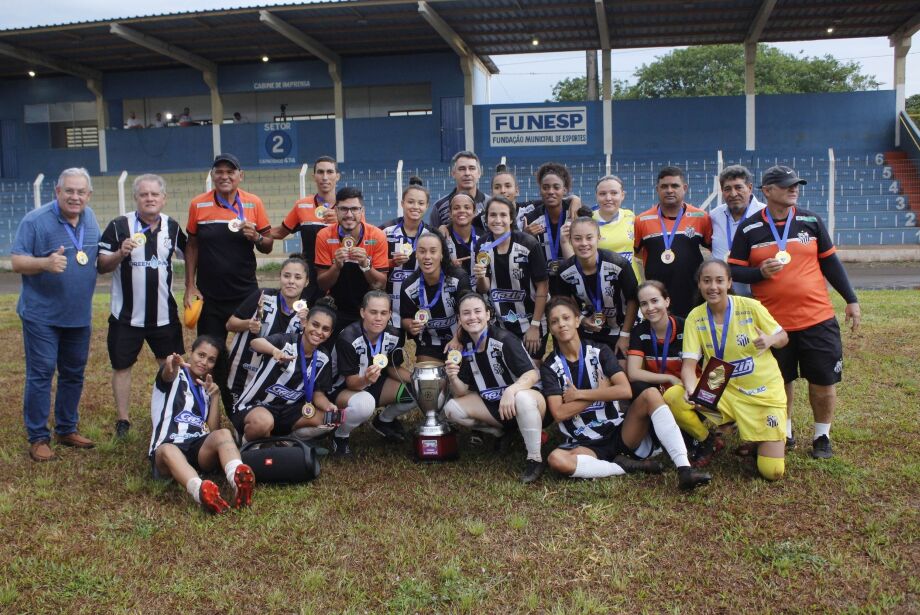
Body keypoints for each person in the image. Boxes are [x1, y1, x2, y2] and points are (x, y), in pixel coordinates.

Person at [729, 165, 860, 459]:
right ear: (767, 191)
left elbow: (830, 263)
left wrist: (851, 299)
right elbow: (733, 269)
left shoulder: (811, 220)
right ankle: (785, 431)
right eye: (787, 185)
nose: (794, 189)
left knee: (823, 379)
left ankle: (821, 435)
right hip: (773, 324)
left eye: (796, 184)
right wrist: (758, 272)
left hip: (817, 318)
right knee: (780, 379)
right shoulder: (749, 228)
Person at [541, 297, 711, 490]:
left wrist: (585, 394)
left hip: (618, 431)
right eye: (554, 321)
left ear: (577, 320)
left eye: (566, 318)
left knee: (650, 395)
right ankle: (623, 467)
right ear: (550, 328)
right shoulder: (550, 367)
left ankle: (684, 469)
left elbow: (624, 390)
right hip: (584, 442)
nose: (561, 324)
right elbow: (560, 413)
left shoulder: (600, 351)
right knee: (556, 459)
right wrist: (603, 392)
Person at [667, 259, 789, 481]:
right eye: (707, 281)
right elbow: (688, 366)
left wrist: (770, 340)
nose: (713, 287)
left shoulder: (750, 306)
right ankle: (710, 441)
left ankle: (757, 439)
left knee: (772, 472)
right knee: (674, 397)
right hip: (720, 379)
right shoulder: (696, 316)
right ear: (700, 285)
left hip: (760, 388)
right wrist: (692, 389)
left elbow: (783, 337)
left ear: (729, 282)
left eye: (719, 281)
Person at [12, 168, 100, 462]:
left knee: (74, 373)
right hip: (42, 316)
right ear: (57, 192)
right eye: (69, 191)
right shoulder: (35, 221)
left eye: (81, 192)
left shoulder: (91, 218)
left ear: (88, 195)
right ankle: (38, 437)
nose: (75, 197)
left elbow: (95, 259)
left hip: (78, 315)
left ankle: (66, 428)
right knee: (42, 372)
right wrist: (44, 263)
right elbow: (16, 261)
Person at [97, 173, 187, 438]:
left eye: (154, 194)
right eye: (144, 194)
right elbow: (101, 265)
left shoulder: (172, 226)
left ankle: (172, 411)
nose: (149, 198)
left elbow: (191, 252)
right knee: (122, 367)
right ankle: (123, 420)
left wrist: (192, 285)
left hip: (163, 315)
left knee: (170, 364)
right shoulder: (119, 225)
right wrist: (118, 253)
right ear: (136, 198)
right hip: (127, 316)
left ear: (163, 198)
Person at [443, 293, 548, 483]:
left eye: (477, 311)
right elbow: (461, 391)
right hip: (496, 405)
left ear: (488, 314)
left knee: (522, 398)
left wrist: (511, 390)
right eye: (466, 313)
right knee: (452, 409)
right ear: (459, 319)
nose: (472, 317)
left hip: (532, 403)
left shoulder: (504, 339)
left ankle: (535, 458)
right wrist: (452, 376)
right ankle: (500, 432)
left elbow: (532, 374)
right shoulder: (466, 346)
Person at [149, 337, 255, 513]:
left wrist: (214, 397)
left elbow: (211, 431)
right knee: (167, 449)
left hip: (197, 449)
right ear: (191, 352)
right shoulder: (174, 375)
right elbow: (167, 374)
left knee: (223, 434)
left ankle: (239, 479)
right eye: (201, 355)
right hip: (169, 449)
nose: (204, 362)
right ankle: (201, 491)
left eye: (211, 359)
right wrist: (171, 365)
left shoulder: (205, 388)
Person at [627, 281, 721, 467]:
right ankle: (701, 438)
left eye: (655, 301)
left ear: (667, 301)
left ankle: (702, 436)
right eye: (644, 304)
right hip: (663, 393)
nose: (650, 308)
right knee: (637, 387)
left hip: (690, 390)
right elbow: (633, 372)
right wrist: (668, 377)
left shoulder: (686, 326)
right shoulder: (640, 332)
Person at [184, 153, 274, 343]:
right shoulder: (198, 204)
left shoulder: (254, 202)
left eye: (230, 172)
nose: (224, 176)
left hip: (245, 292)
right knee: (210, 350)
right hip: (209, 295)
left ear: (240, 175)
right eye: (219, 172)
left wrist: (257, 237)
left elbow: (268, 245)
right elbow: (192, 246)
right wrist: (190, 286)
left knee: (250, 348)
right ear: (212, 175)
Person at [231, 300, 343, 447]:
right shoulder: (286, 341)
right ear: (305, 323)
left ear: (330, 333)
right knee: (264, 423)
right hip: (258, 406)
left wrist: (329, 406)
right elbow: (255, 343)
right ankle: (245, 444)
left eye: (325, 329)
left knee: (331, 420)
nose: (319, 332)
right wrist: (275, 351)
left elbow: (318, 393)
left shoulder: (323, 357)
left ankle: (288, 440)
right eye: (315, 325)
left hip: (289, 411)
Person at [225, 256, 319, 412]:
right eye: (286, 275)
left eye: (298, 277)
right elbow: (230, 324)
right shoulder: (262, 296)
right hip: (243, 369)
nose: (291, 281)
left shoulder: (306, 314)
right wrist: (248, 324)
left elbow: (306, 350)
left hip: (273, 377)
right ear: (280, 277)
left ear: (307, 282)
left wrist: (305, 327)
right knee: (237, 412)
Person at [331, 291, 415, 445]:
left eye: (383, 313)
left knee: (418, 390)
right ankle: (340, 435)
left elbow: (392, 368)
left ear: (390, 314)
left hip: (372, 383)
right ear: (363, 312)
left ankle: (384, 420)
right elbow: (350, 382)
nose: (378, 318)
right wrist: (366, 379)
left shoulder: (393, 335)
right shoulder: (348, 338)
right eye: (373, 312)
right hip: (342, 388)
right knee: (365, 404)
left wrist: (419, 379)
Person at [473, 196, 549, 361]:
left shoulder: (528, 243)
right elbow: (484, 288)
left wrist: (535, 326)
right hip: (500, 323)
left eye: (503, 215)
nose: (498, 220)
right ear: (486, 219)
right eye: (493, 215)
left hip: (530, 322)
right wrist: (480, 276)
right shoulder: (482, 245)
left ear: (511, 218)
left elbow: (543, 286)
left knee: (533, 371)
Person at [557, 212, 638, 359]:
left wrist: (625, 335)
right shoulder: (564, 271)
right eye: (577, 239)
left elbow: (633, 300)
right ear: (570, 240)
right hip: (588, 329)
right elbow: (564, 302)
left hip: (620, 329)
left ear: (598, 238)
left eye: (589, 238)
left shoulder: (619, 264)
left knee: (624, 371)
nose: (583, 243)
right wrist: (581, 320)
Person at [634, 166, 712, 317]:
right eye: (664, 186)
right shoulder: (642, 220)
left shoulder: (701, 217)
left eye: (675, 186)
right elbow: (637, 254)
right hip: (657, 298)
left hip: (692, 294)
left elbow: (712, 249)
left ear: (684, 188)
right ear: (657, 189)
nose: (669, 190)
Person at [314, 186, 389, 336]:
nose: (349, 214)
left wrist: (366, 265)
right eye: (344, 209)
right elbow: (322, 285)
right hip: (336, 307)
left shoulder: (377, 236)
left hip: (367, 308)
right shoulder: (323, 235)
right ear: (336, 211)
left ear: (362, 211)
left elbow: (380, 285)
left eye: (354, 209)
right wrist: (336, 266)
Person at [400, 233, 471, 362]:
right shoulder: (408, 286)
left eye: (433, 251)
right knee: (429, 380)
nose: (427, 257)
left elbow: (468, 312)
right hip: (430, 342)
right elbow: (406, 317)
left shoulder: (458, 278)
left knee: (457, 377)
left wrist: (458, 338)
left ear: (441, 254)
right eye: (422, 251)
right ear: (416, 254)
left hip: (460, 337)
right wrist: (411, 325)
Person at [382, 177, 435, 327]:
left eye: (421, 203)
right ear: (402, 203)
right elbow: (373, 264)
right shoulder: (385, 231)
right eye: (410, 202)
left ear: (427, 206)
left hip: (421, 305)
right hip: (390, 305)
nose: (415, 207)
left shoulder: (432, 235)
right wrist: (391, 263)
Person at [517, 162, 580, 288]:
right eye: (545, 187)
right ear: (540, 190)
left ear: (565, 190)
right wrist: (526, 237)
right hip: (543, 285)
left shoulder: (577, 213)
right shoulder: (531, 218)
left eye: (556, 187)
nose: (550, 191)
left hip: (575, 283)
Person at [271, 155, 340, 264]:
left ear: (337, 176)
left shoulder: (348, 207)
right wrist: (256, 233)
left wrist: (343, 221)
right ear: (314, 177)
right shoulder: (301, 205)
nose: (325, 177)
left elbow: (362, 237)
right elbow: (280, 232)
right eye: (320, 172)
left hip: (340, 272)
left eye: (330, 172)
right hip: (311, 272)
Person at [711, 165, 764, 297]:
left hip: (757, 297)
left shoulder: (765, 214)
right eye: (727, 189)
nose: (733, 194)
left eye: (738, 187)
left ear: (750, 188)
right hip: (722, 297)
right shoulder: (714, 216)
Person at [592, 175, 642, 282]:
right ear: (596, 196)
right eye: (602, 194)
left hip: (632, 283)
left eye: (614, 193)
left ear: (622, 195)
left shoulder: (630, 216)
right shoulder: (588, 220)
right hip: (601, 286)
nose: (608, 198)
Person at [429, 151, 487, 227]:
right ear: (453, 173)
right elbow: (432, 236)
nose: (467, 173)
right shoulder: (439, 207)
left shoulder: (489, 203)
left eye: (472, 168)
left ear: (479, 173)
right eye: (462, 169)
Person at [440, 192, 484, 278]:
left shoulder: (483, 238)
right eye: (456, 208)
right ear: (450, 213)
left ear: (474, 212)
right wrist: (447, 266)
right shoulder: (442, 237)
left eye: (467, 207)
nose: (462, 211)